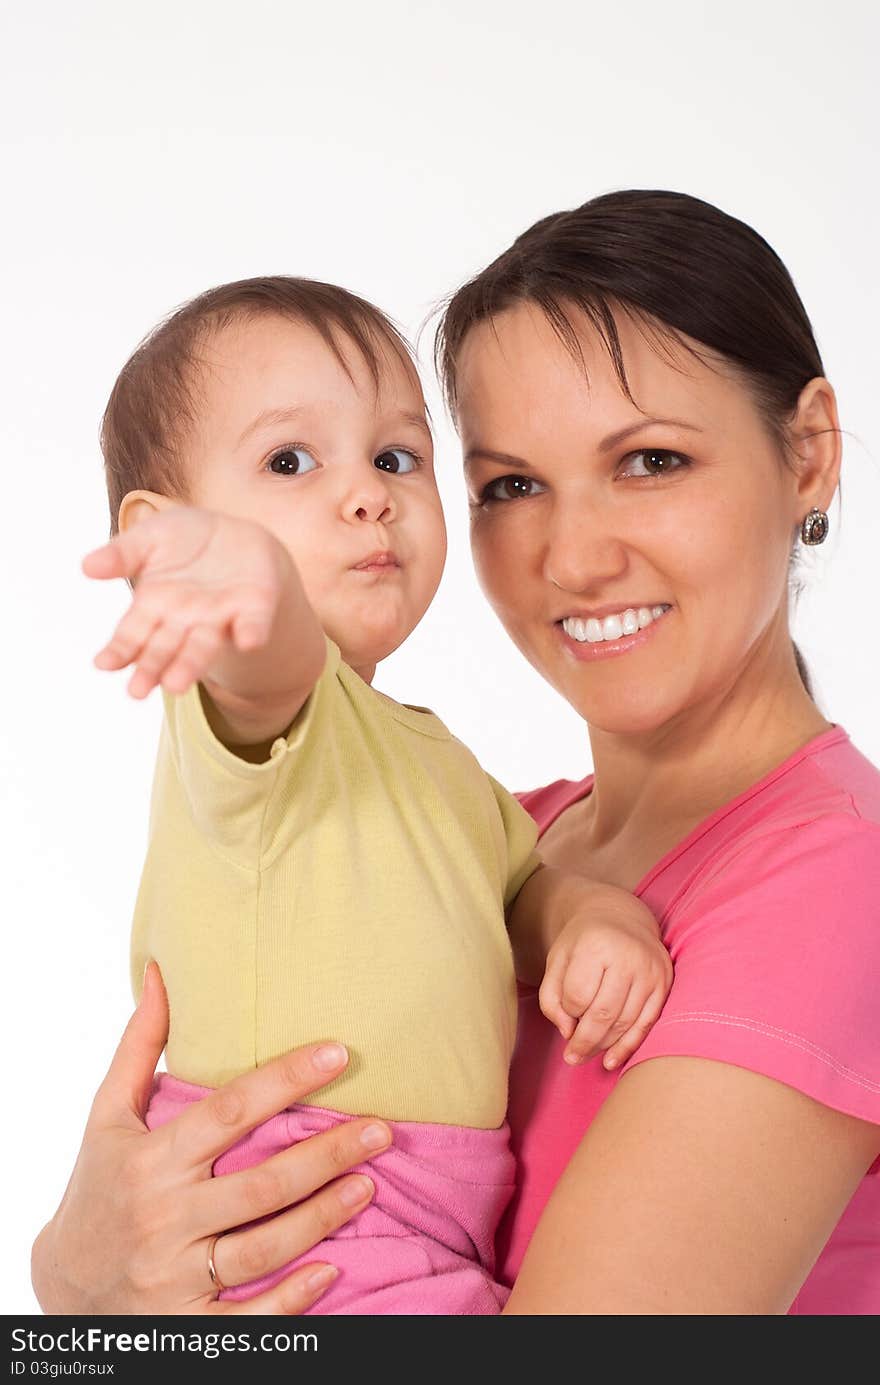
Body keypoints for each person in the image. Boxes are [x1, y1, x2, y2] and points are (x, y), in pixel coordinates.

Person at [32, 190, 880, 1316]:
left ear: (809, 452)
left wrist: (108, 1310)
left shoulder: (836, 884)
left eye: (650, 461)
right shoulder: (464, 827)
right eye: (511, 486)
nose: (572, 556)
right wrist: (76, 1275)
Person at [76, 276, 671, 1315]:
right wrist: (238, 577)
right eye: (288, 461)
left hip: (422, 1218)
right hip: (294, 1215)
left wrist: (592, 915)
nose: (367, 493)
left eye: (396, 457)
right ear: (165, 536)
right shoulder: (251, 725)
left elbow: (520, 885)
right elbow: (263, 668)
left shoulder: (427, 754)